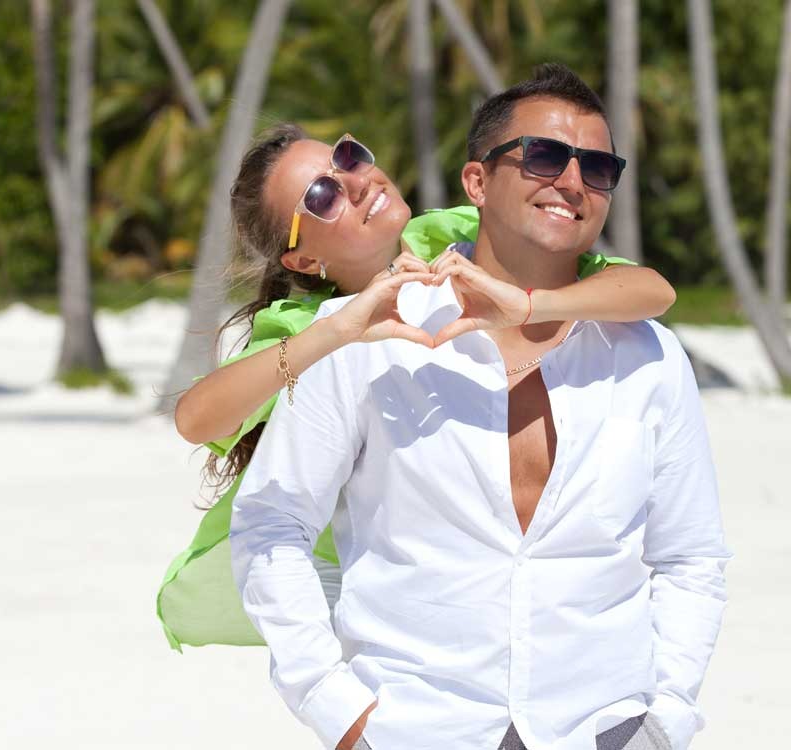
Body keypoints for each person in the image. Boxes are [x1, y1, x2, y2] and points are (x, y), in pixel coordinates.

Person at [229, 64, 729, 750]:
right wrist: (337, 708)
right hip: (418, 725)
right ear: (477, 182)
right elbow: (269, 528)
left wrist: (665, 718)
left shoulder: (649, 356)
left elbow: (692, 557)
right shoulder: (360, 336)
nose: (573, 182)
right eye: (546, 157)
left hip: (606, 724)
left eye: (598, 167)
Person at [157, 125, 677, 652]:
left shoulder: (455, 235)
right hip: (380, 579)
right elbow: (197, 420)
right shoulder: (307, 324)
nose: (356, 183)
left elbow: (650, 291)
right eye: (322, 196)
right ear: (304, 261)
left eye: (348, 157)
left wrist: (527, 302)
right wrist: (339, 331)